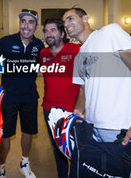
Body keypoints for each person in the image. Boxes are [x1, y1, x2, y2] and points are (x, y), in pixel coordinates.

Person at [62, 8, 131, 154]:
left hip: (122, 127)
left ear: (86, 18)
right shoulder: (79, 56)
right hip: (94, 129)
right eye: (64, 22)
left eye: (70, 18)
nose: (66, 24)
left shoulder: (109, 32)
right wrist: (77, 111)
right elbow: (83, 89)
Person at [0, 9, 44, 178]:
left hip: (29, 96)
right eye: (23, 21)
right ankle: (2, 167)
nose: (26, 25)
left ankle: (24, 163)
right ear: (19, 23)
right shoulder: (6, 41)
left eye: (30, 22)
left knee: (28, 131)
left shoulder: (39, 45)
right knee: (5, 135)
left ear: (36, 26)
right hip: (9, 97)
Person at [39, 18, 81, 178]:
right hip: (49, 110)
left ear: (63, 33)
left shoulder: (76, 50)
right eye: (46, 31)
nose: (48, 34)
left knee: (78, 149)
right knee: (59, 149)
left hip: (73, 111)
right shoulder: (43, 53)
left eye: (53, 30)